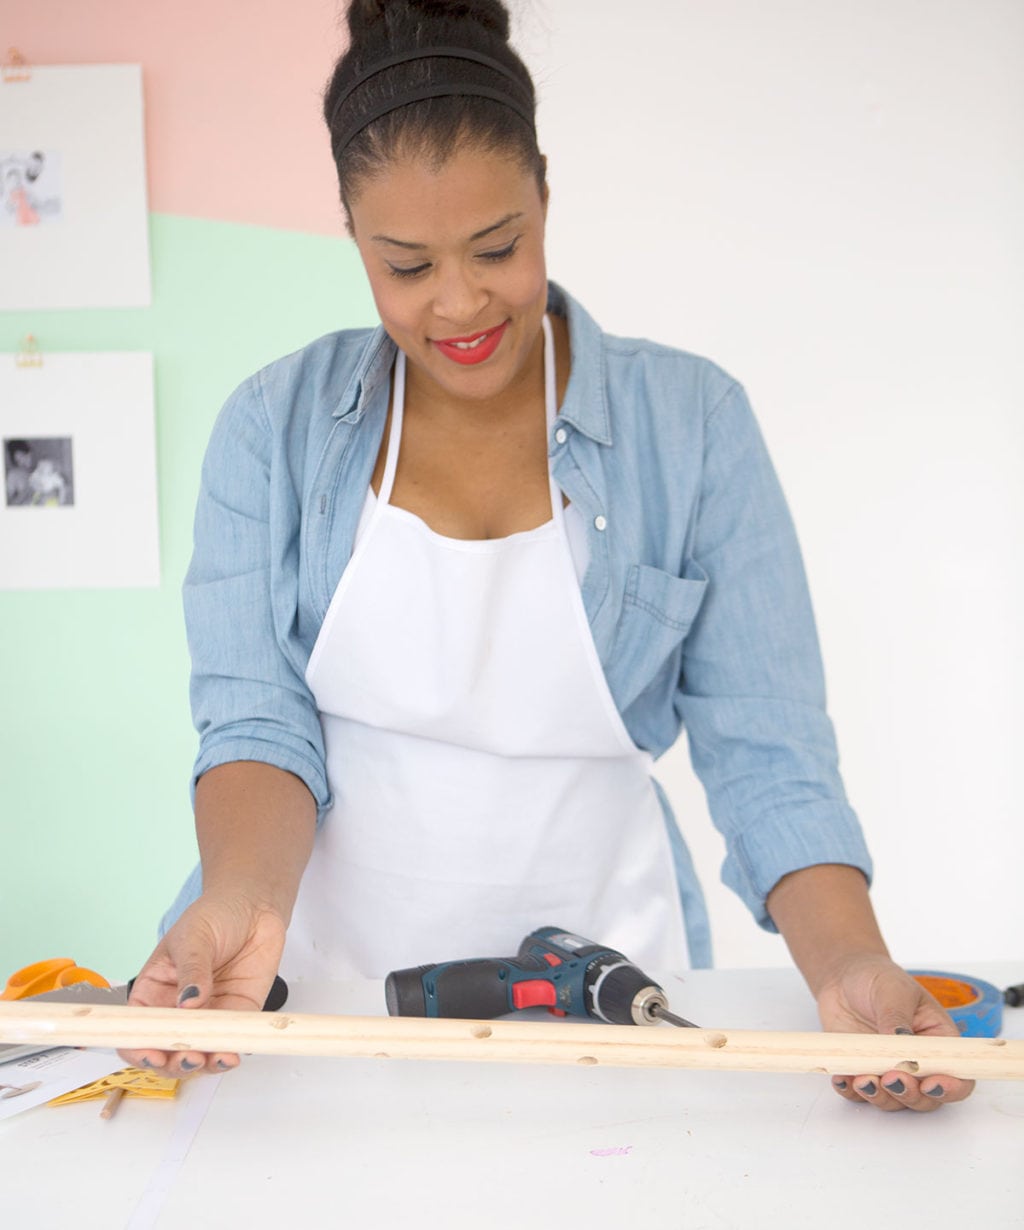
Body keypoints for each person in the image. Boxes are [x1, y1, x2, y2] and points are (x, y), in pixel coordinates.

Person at [126, 0, 971, 1113]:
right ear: (349, 236)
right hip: (315, 988)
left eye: (497, 247)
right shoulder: (272, 429)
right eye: (406, 265)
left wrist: (851, 963)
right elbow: (254, 723)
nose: (461, 302)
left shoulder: (692, 424)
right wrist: (238, 900)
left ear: (544, 195)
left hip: (613, 997)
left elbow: (769, 756)